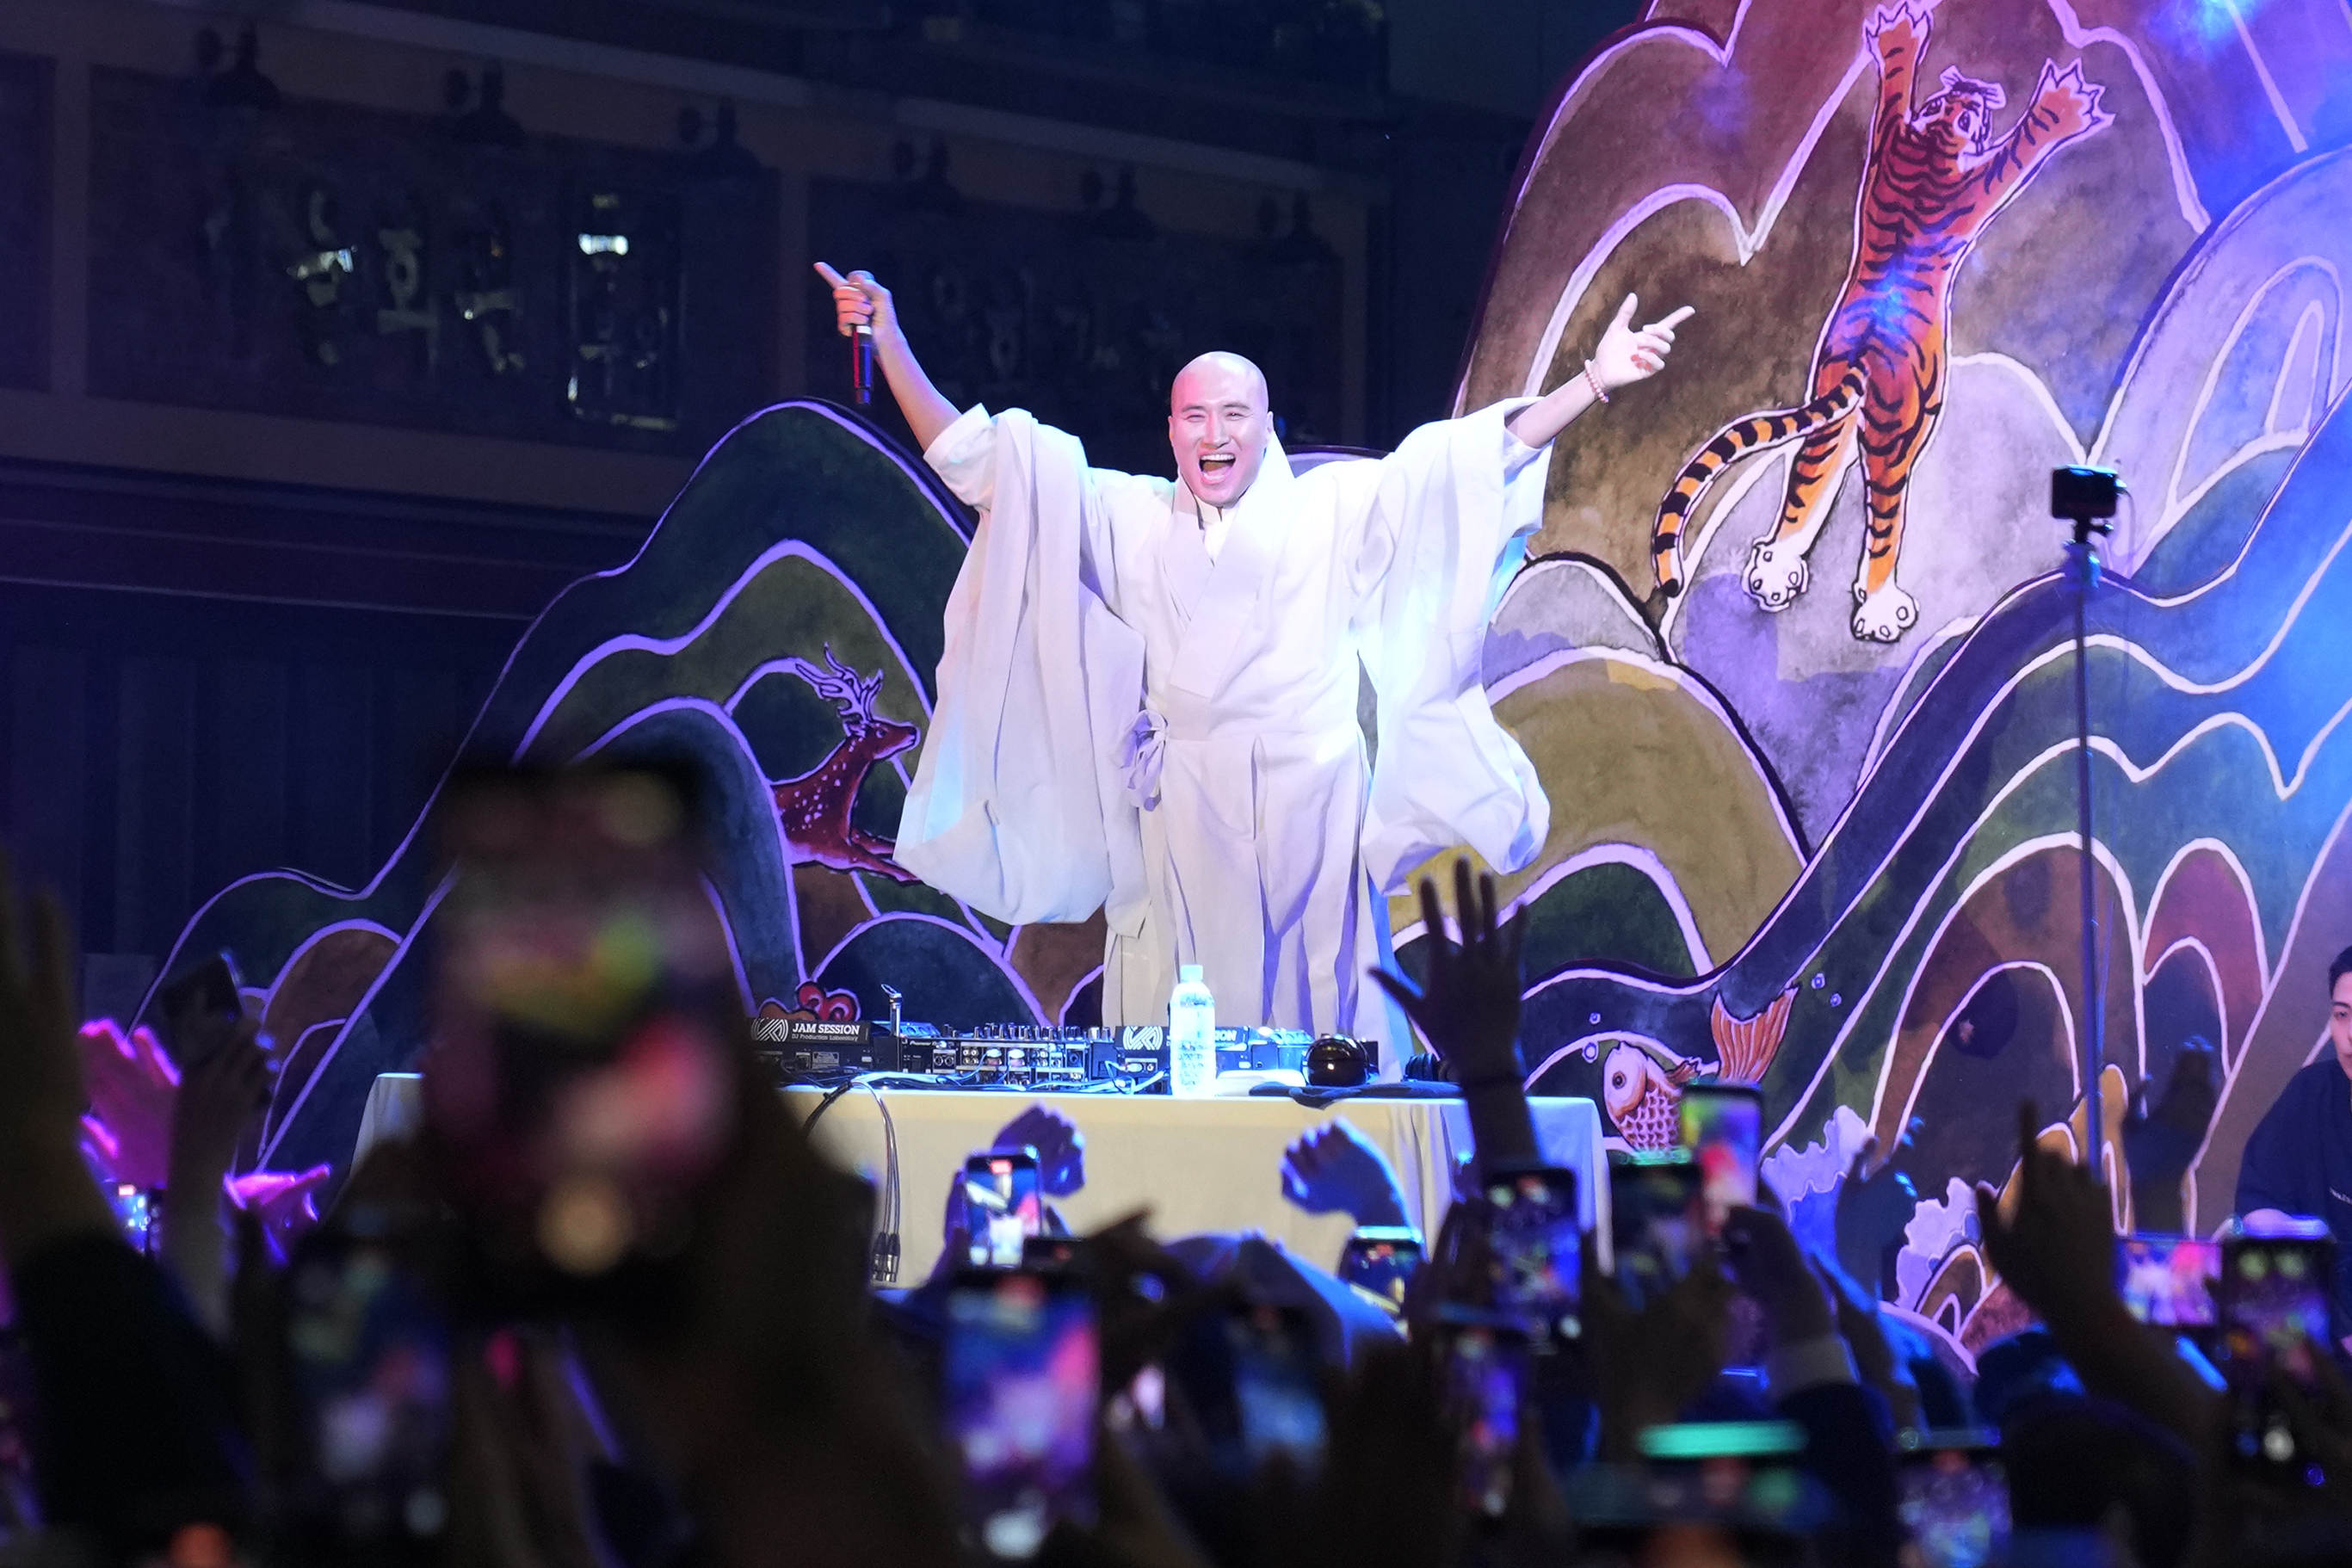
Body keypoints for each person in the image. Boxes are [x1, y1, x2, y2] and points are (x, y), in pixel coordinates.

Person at [819, 260, 1692, 1039]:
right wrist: (892, 343)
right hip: (1180, 816)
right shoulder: (1130, 518)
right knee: (1185, 1031)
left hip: (1306, 812)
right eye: (1195, 416)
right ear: (1170, 431)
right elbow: (988, 467)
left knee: (1316, 1030)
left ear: (1269, 425)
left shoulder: (1332, 506)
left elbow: (1463, 465)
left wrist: (1590, 382)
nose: (1214, 434)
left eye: (1234, 413)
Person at [2236, 944, 2352, 1328]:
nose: (2350, 1034)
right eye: (2342, 1015)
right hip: (2315, 1333)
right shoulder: (2311, 1094)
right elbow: (2258, 1203)